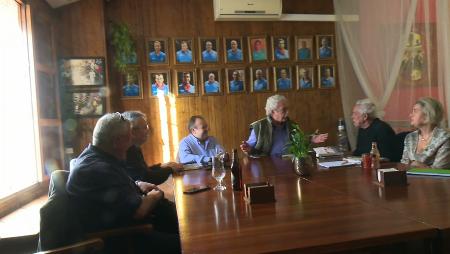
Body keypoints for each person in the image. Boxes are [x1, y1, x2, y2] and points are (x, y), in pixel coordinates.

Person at [67, 113, 180, 253]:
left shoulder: (97, 158)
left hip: (128, 229)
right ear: (117, 141)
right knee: (191, 242)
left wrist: (137, 183)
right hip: (122, 240)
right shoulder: (99, 170)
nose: (131, 142)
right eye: (129, 137)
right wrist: (155, 194)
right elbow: (139, 211)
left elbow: (116, 187)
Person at [240, 95, 328, 157]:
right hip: (267, 168)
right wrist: (248, 149)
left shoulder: (292, 125)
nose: (287, 113)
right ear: (272, 111)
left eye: (288, 109)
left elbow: (299, 143)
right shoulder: (258, 127)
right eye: (284, 110)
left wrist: (312, 139)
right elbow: (250, 150)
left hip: (290, 164)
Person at [122, 111, 183, 185]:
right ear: (132, 131)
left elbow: (144, 171)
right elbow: (147, 179)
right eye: (145, 127)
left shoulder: (134, 147)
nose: (148, 130)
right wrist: (170, 169)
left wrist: (162, 166)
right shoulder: (128, 150)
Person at [401, 97, 450, 168]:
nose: (411, 115)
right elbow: (404, 165)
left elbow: (439, 170)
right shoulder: (410, 137)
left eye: (415, 111)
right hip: (410, 178)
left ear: (427, 114)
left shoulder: (444, 138)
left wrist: (417, 164)